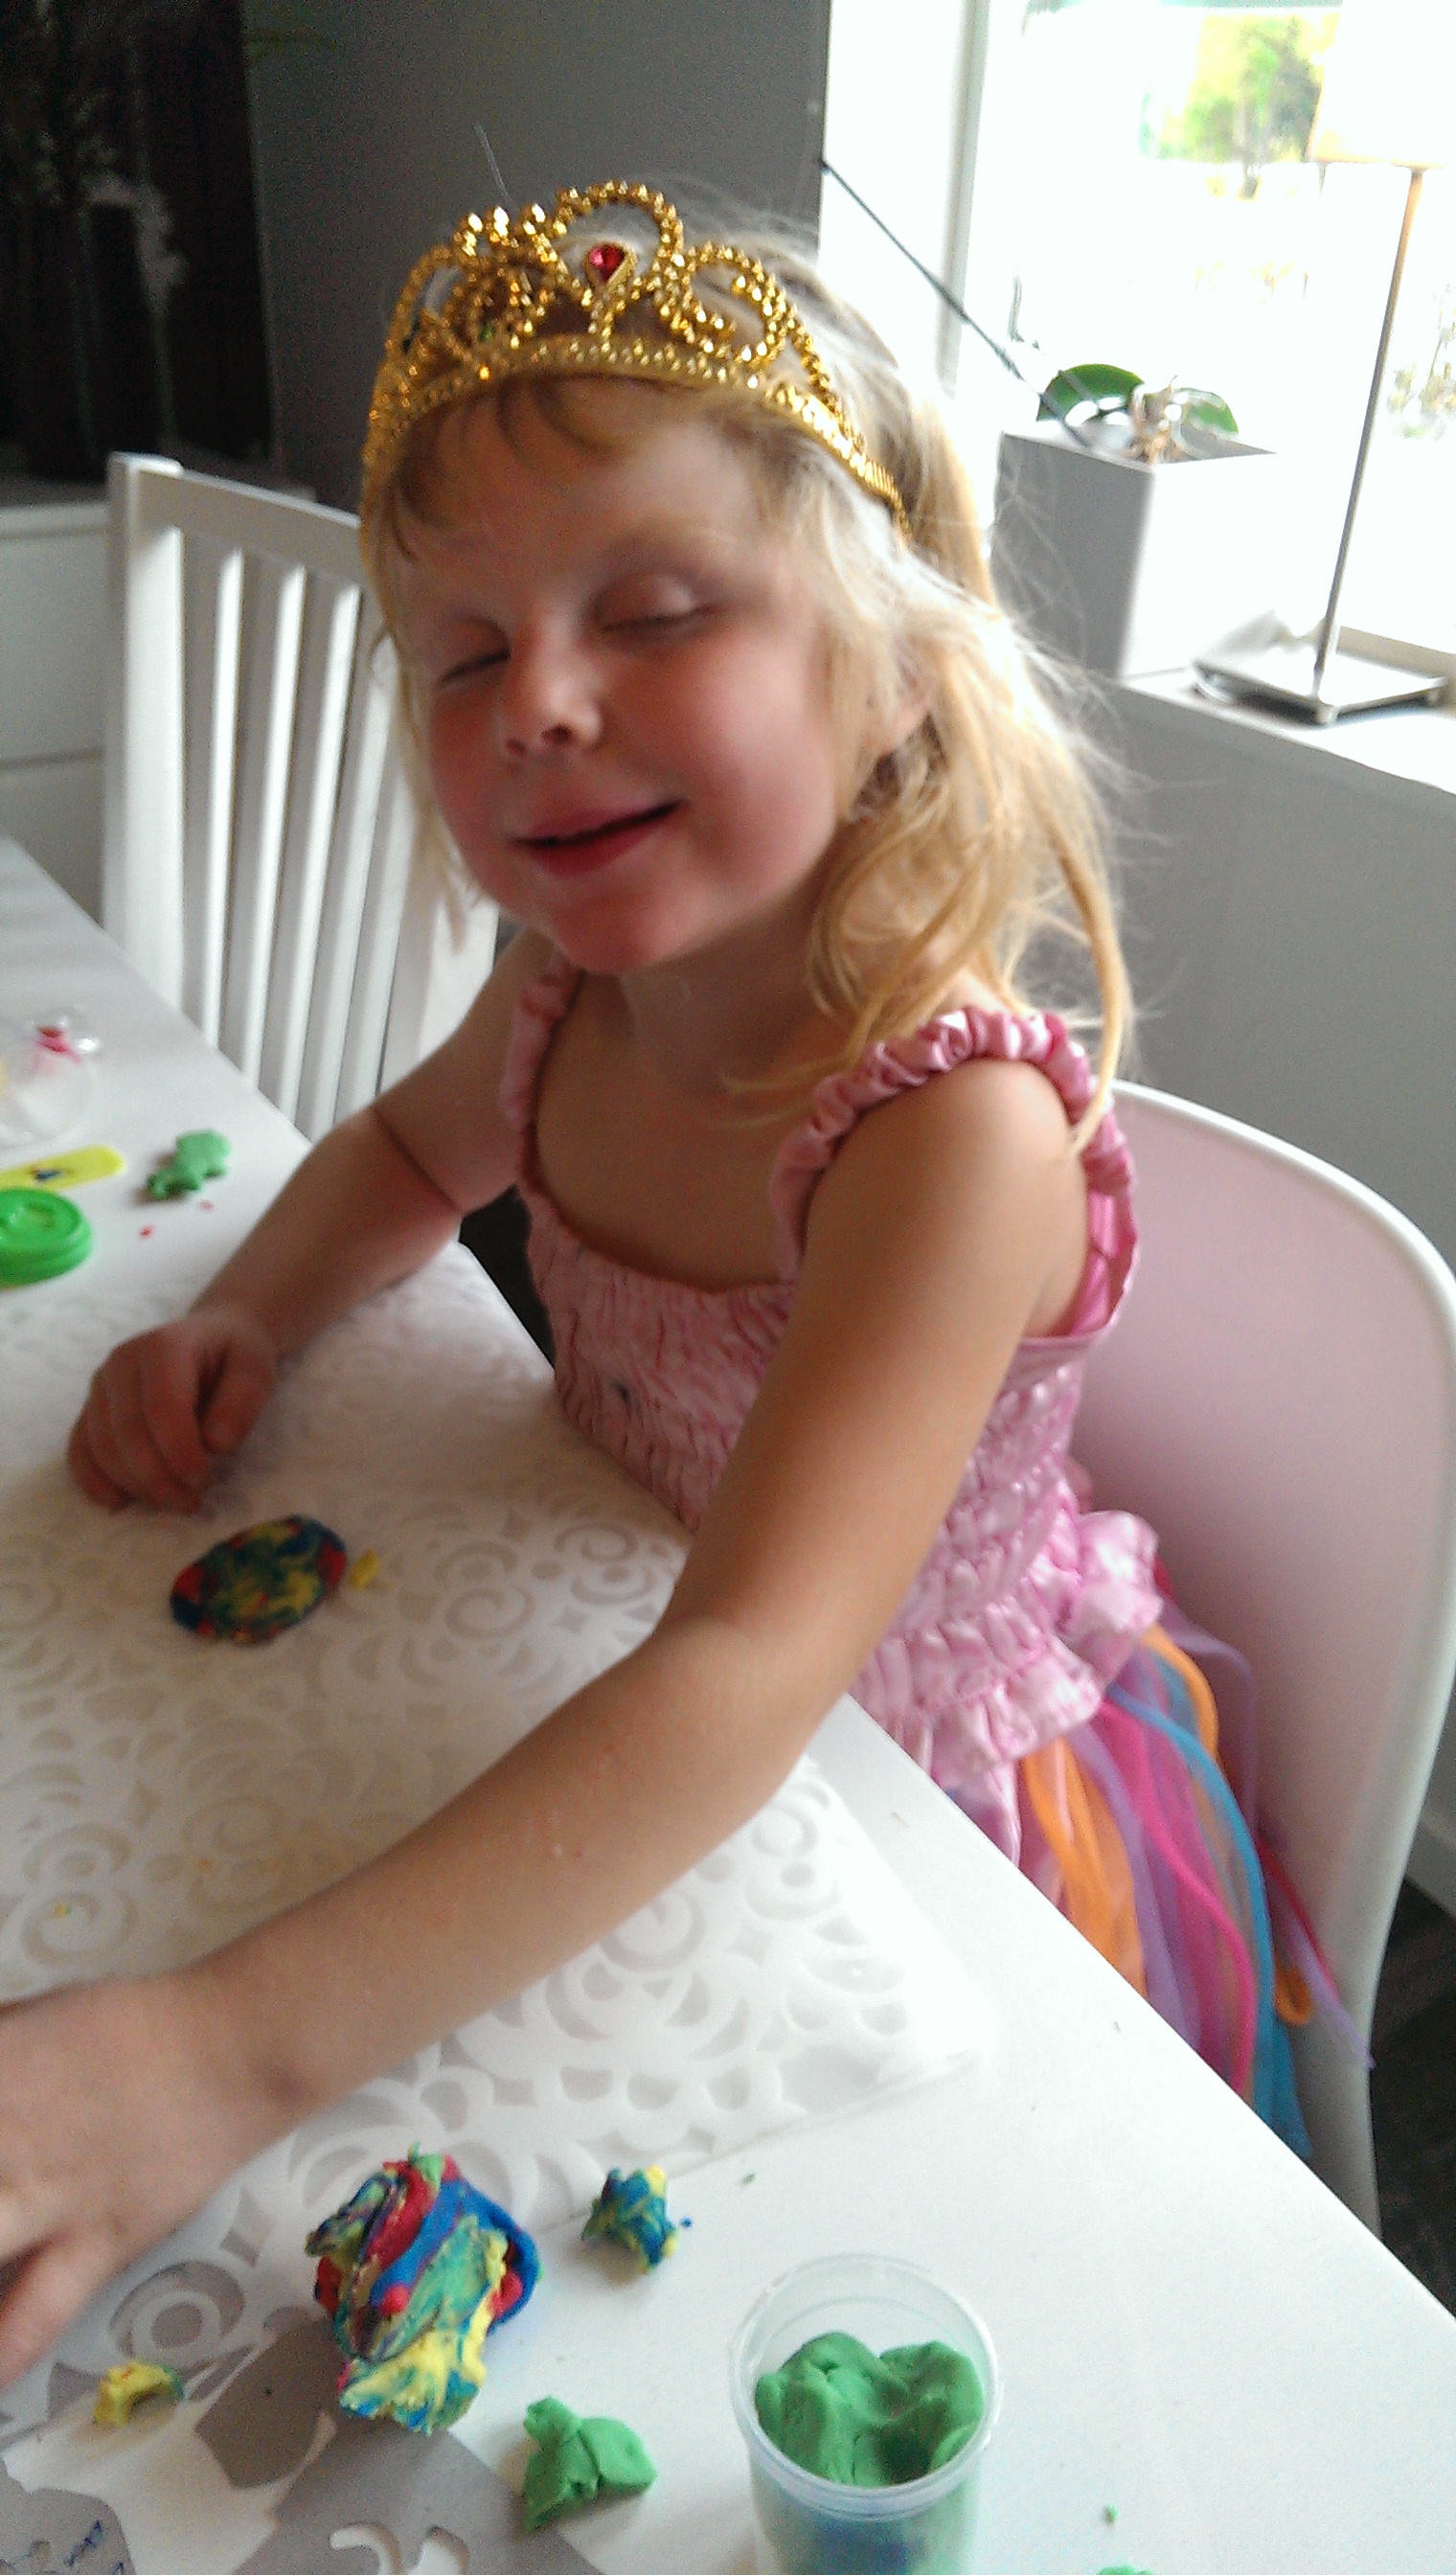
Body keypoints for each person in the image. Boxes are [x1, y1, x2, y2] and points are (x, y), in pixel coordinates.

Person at [0, 184, 1316, 2386]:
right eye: (463, 653)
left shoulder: (946, 1137)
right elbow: (403, 1156)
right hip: (609, 1653)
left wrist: (214, 2054)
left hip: (926, 1814)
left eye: (656, 611)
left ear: (898, 675)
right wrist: (249, 1311)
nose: (538, 702)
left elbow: (747, 1668)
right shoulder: (566, 997)